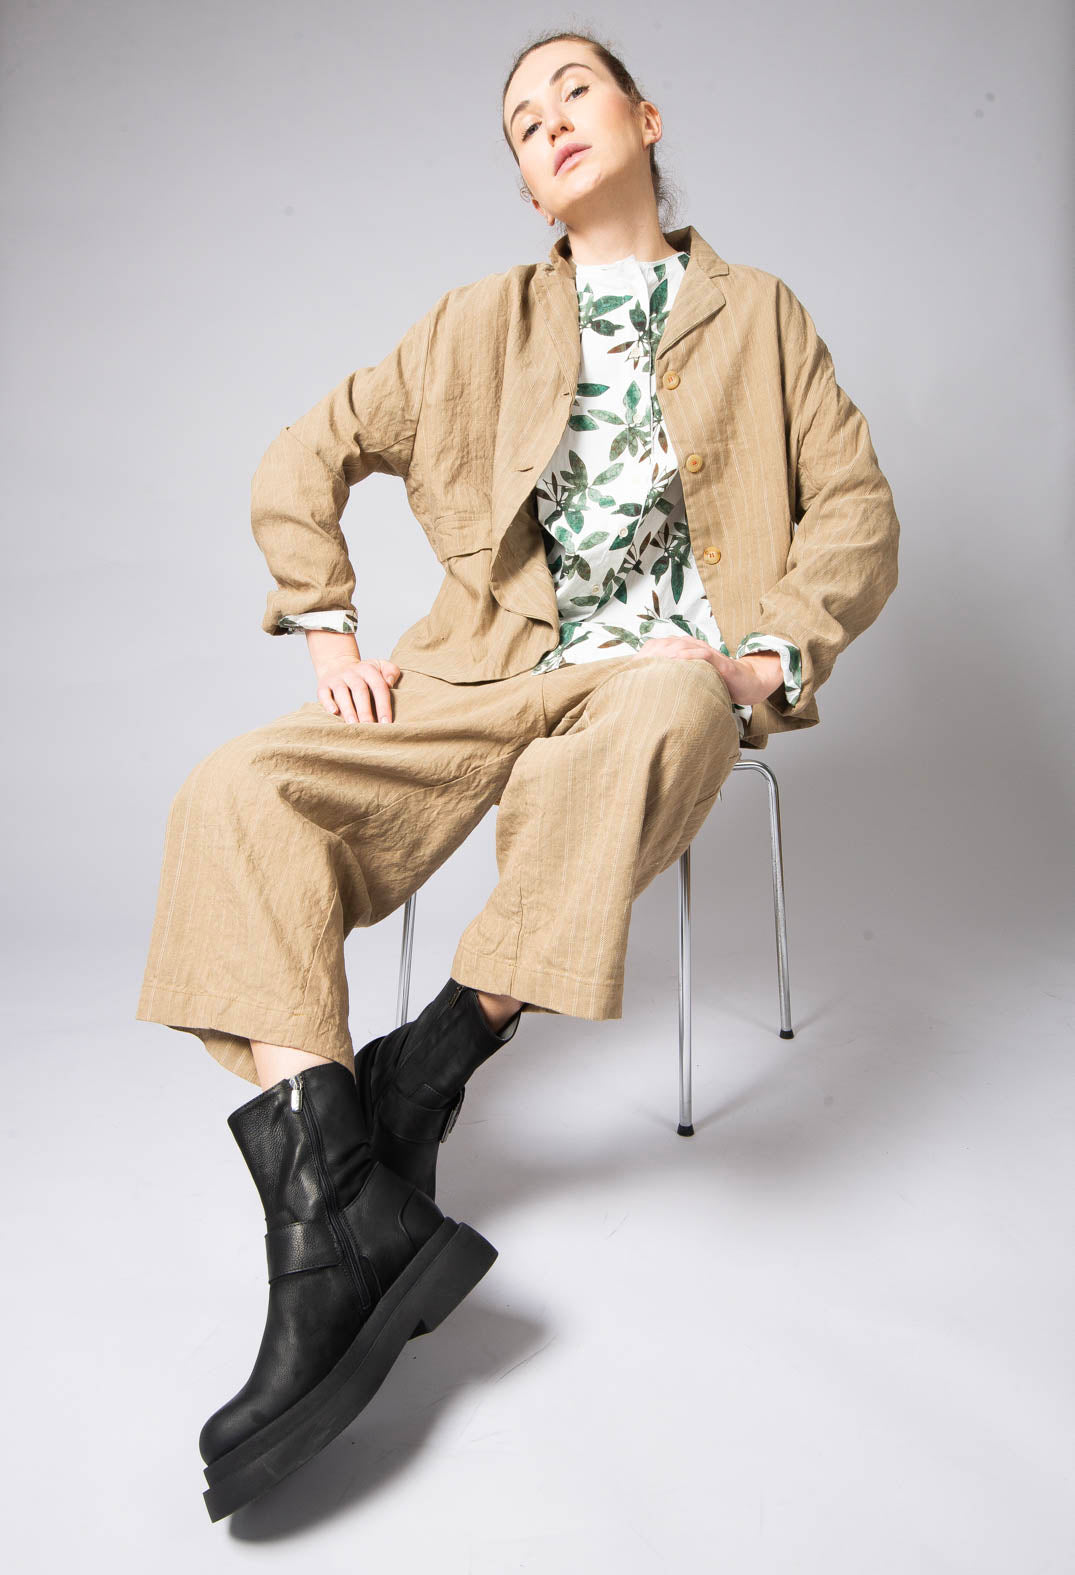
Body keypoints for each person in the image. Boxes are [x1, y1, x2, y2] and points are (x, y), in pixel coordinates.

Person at [136, 29, 900, 1520]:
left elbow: (857, 510)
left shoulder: (759, 316)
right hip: (477, 671)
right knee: (235, 788)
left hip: (659, 682)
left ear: (646, 118)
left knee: (673, 704)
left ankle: (424, 1067)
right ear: (527, 186)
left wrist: (765, 659)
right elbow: (305, 454)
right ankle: (338, 1199)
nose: (549, 121)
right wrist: (330, 623)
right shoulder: (477, 324)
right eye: (520, 121)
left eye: (574, 92)